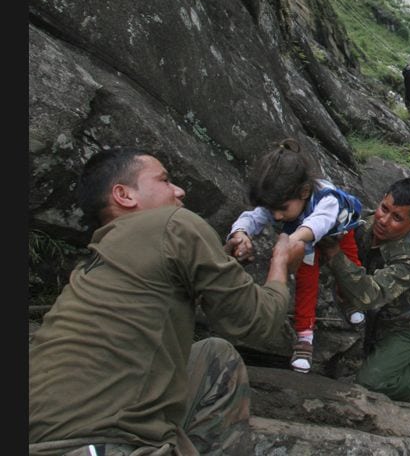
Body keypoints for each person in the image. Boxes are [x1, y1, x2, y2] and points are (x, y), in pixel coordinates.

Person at [29, 148, 306, 456]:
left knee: (211, 356)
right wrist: (281, 263)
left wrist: (219, 262)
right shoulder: (174, 223)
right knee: (220, 363)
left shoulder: (95, 263)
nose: (179, 190)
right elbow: (258, 322)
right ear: (124, 195)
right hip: (102, 445)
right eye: (164, 180)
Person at [227, 138, 364, 374]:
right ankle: (304, 337)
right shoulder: (280, 202)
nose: (277, 217)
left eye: (282, 209)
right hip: (303, 239)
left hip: (337, 231)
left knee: (349, 265)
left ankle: (350, 298)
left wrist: (293, 241)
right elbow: (253, 217)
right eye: (273, 211)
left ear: (304, 192)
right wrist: (240, 233)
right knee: (306, 283)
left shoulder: (327, 199)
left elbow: (319, 223)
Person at [315, 178, 410, 403]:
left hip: (406, 327)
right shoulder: (364, 224)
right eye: (384, 208)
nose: (384, 220)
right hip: (373, 320)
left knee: (370, 383)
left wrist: (334, 254)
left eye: (397, 218)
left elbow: (371, 294)